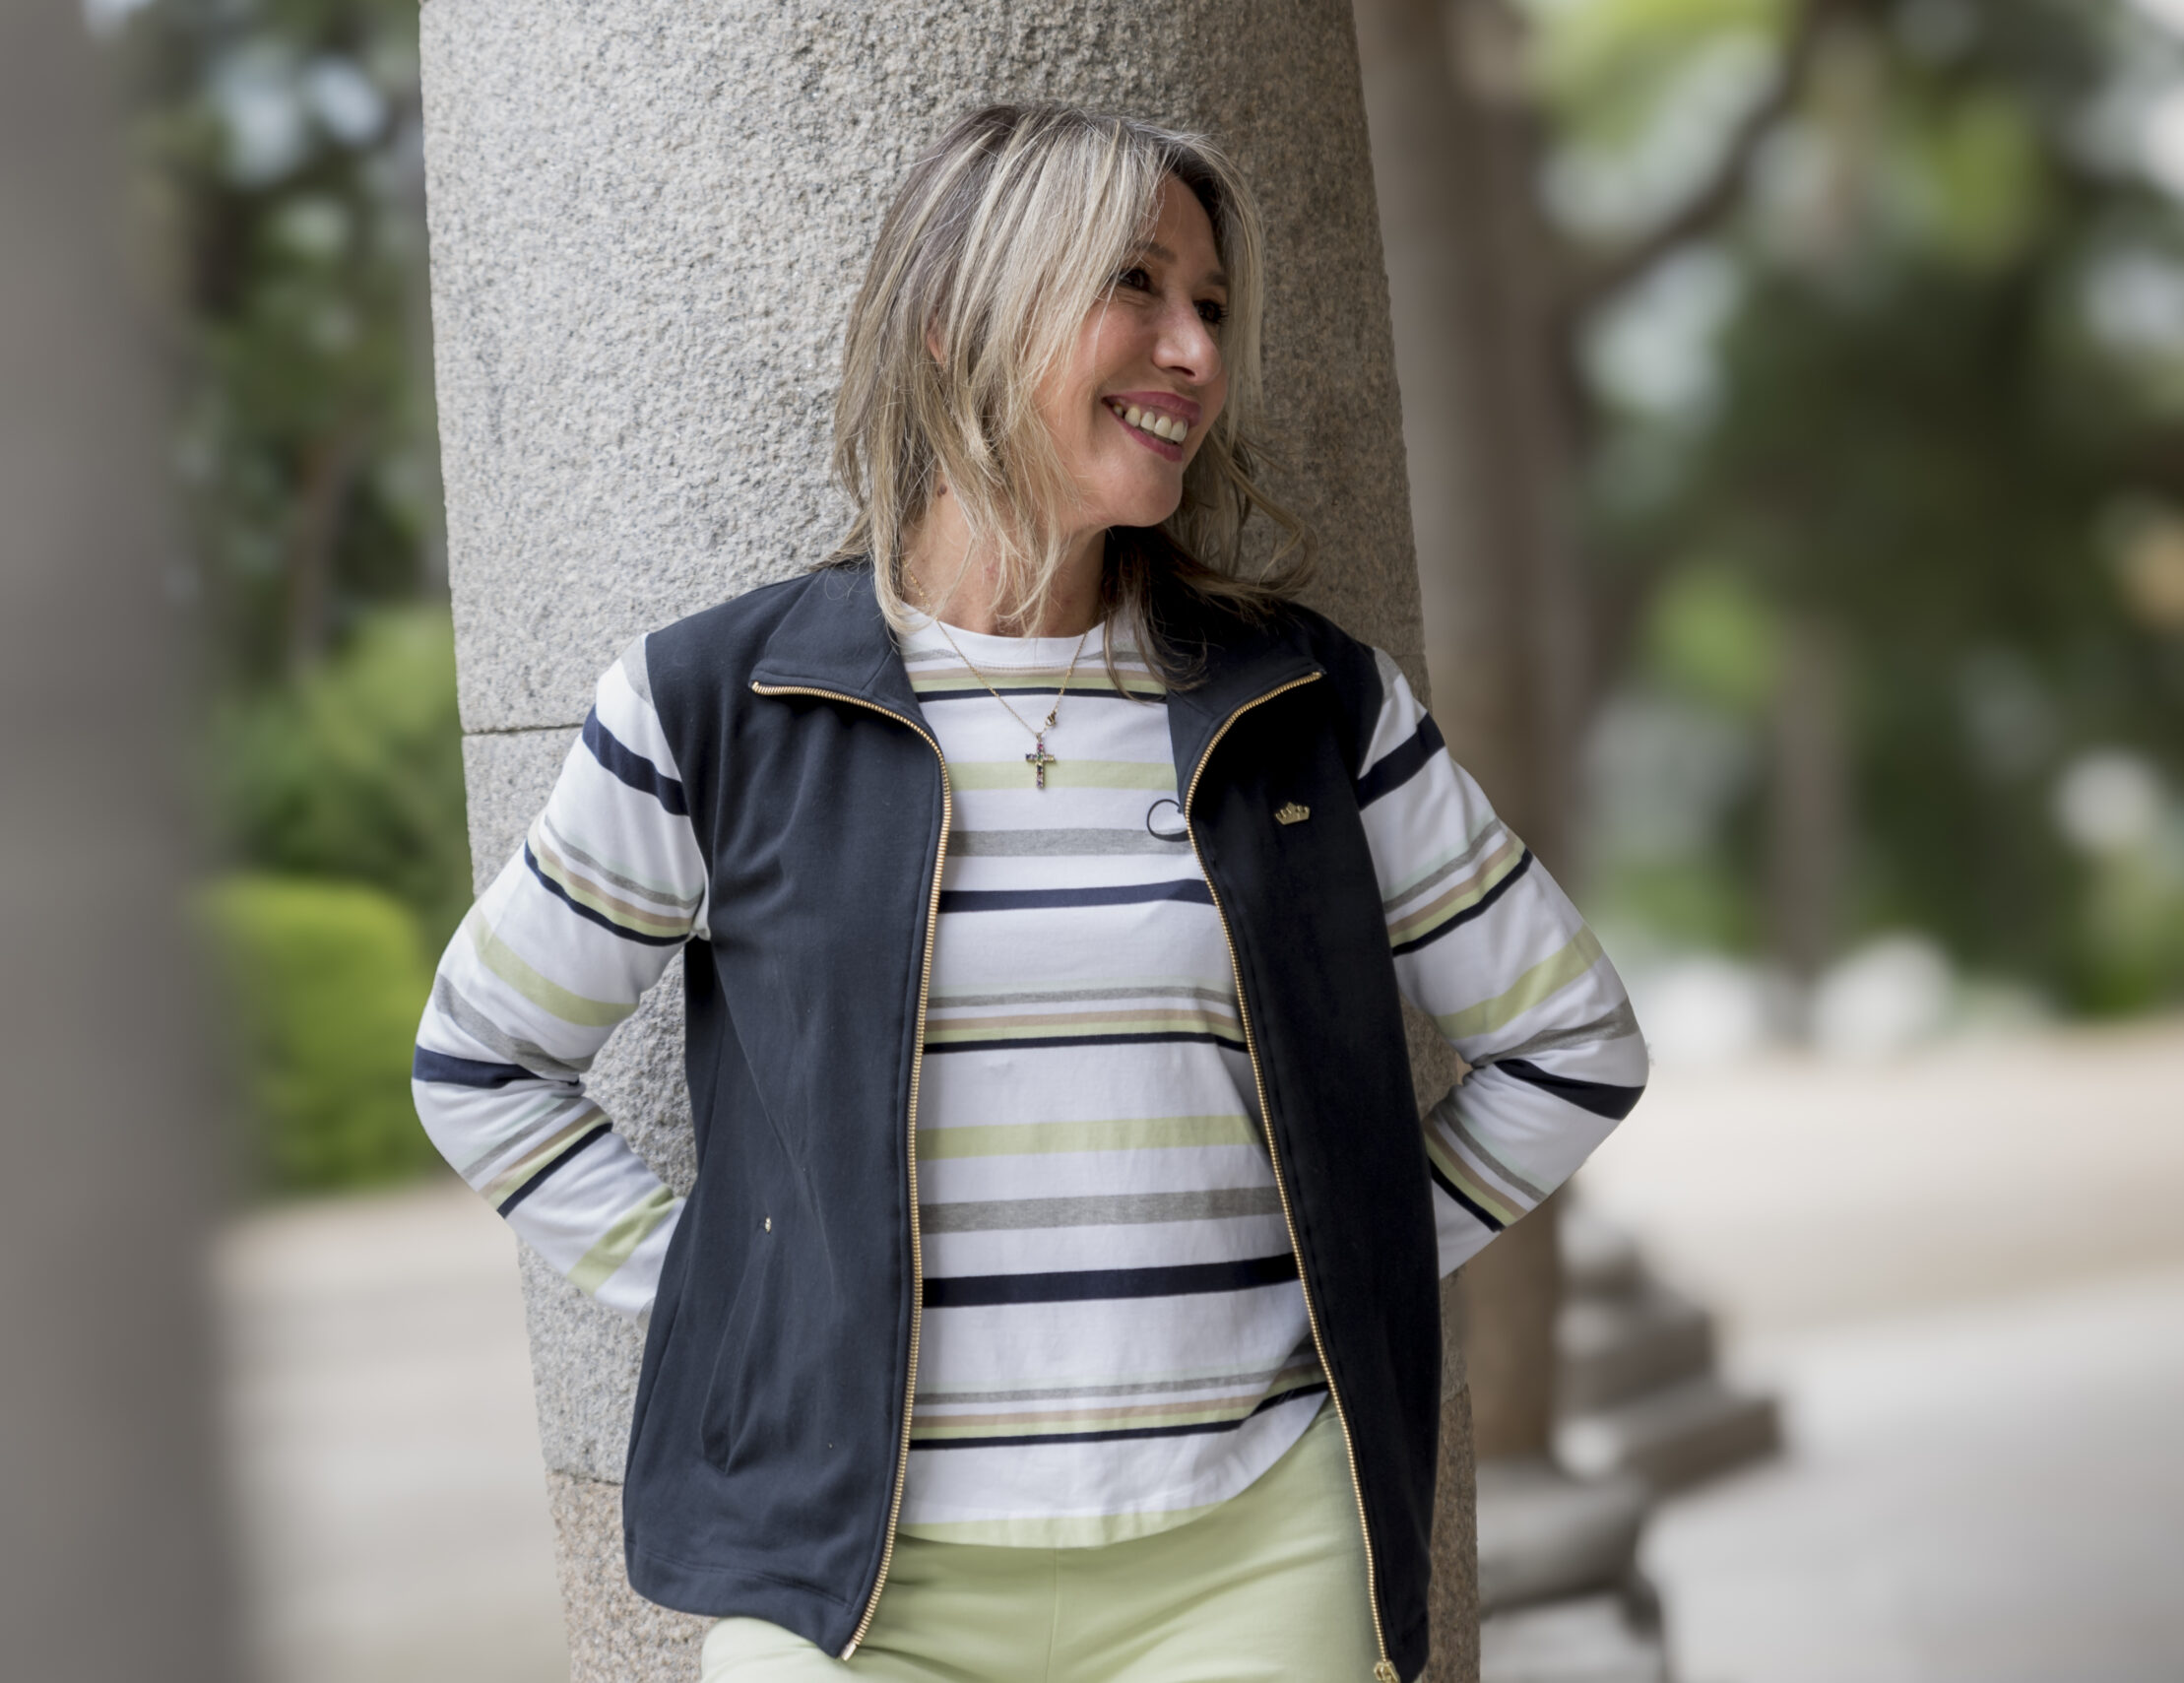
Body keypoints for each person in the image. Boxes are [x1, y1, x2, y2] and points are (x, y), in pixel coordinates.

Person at [412, 101, 1646, 1683]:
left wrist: (1354, 1260)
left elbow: (1573, 1044)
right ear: (957, 319)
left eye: (1210, 304)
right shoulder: (717, 705)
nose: (1195, 349)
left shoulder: (1311, 706)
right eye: (1136, 286)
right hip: (849, 1585)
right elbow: (482, 1063)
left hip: (1251, 1562)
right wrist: (753, 1293)